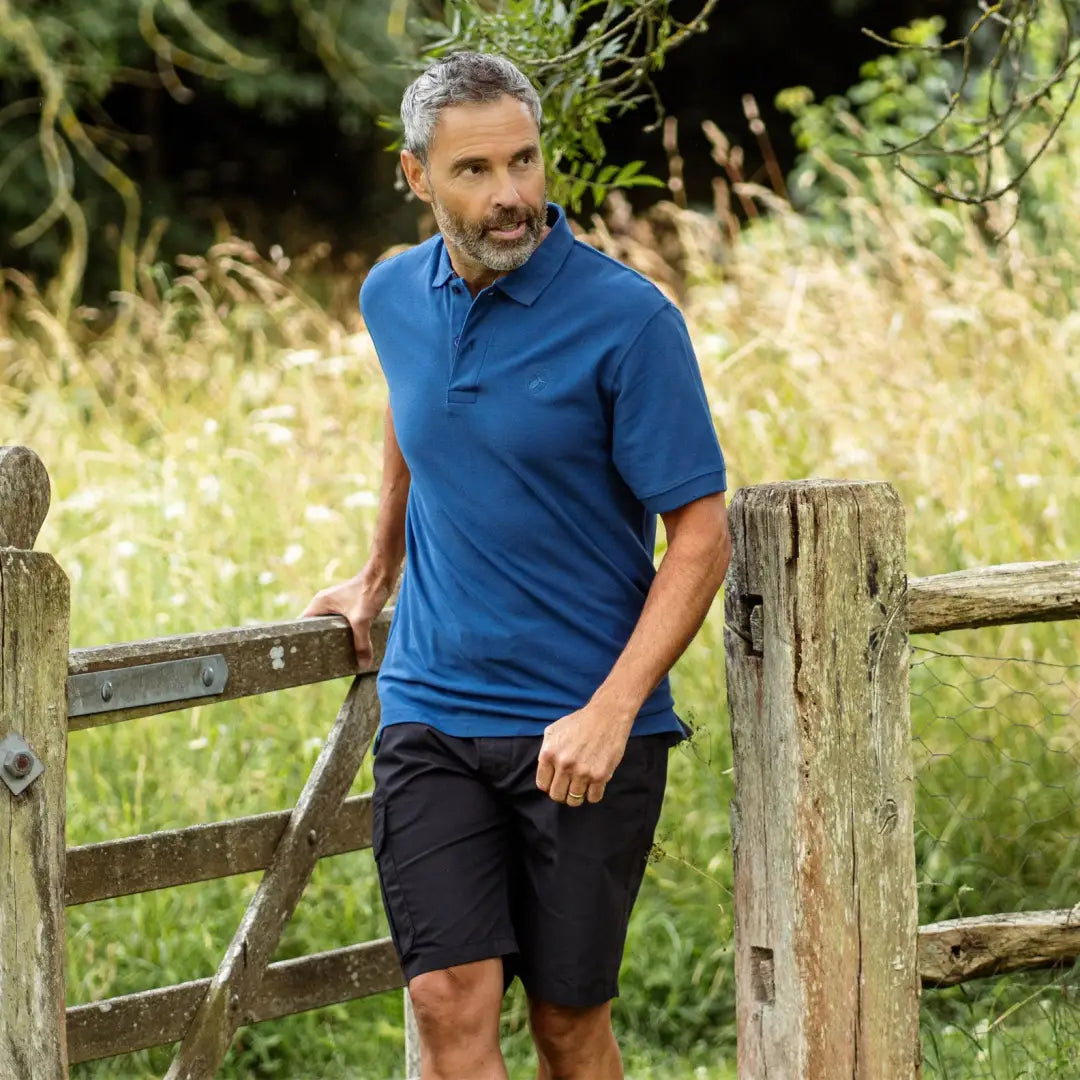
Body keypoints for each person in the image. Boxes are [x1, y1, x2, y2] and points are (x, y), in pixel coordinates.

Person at [301, 51, 731, 1080]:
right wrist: (377, 571)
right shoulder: (391, 294)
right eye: (476, 172)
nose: (510, 197)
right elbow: (418, 411)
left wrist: (613, 710)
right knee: (449, 1003)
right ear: (417, 178)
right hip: (431, 712)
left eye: (524, 163)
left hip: (580, 732)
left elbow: (704, 536)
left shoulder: (630, 322)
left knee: (567, 1026)